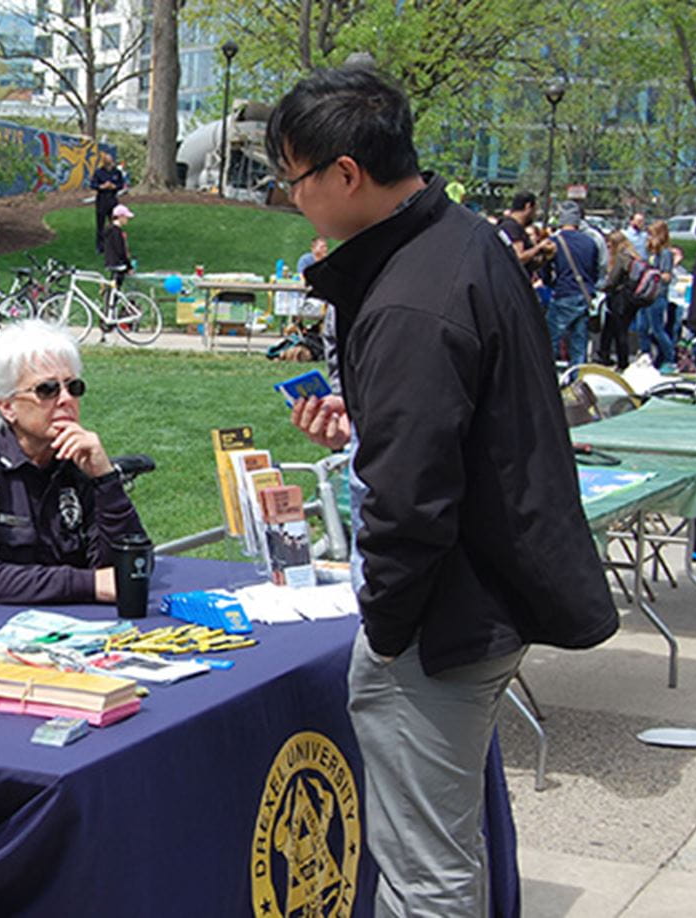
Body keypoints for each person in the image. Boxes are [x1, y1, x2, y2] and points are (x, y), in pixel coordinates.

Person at [267, 66, 618, 917]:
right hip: (477, 600)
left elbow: (412, 501)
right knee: (444, 854)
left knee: (424, 876)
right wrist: (370, 420)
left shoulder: (411, 300)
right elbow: (447, 427)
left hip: (440, 620)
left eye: (294, 179)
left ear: (346, 174)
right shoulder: (456, 242)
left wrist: (385, 630)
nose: (292, 199)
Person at [0, 319, 147, 610]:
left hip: (69, 623)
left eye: (73, 387)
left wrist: (105, 479)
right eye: (47, 390)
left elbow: (130, 567)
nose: (66, 399)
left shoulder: (76, 460)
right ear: (7, 407)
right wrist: (86, 584)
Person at [545, 200, 600, 364]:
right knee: (579, 342)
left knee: (550, 338)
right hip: (585, 294)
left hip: (564, 292)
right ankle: (577, 374)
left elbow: (544, 271)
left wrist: (550, 284)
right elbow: (595, 270)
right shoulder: (590, 242)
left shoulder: (554, 242)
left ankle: (548, 373)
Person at [597, 230, 639, 370]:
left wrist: (603, 287)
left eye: (610, 244)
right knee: (612, 328)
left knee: (619, 331)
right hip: (629, 299)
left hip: (619, 299)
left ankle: (622, 361)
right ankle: (605, 355)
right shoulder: (633, 256)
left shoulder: (621, 257)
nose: (608, 247)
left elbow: (613, 279)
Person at [636, 220, 675, 369]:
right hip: (645, 295)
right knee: (641, 327)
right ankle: (645, 354)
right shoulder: (650, 253)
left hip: (657, 295)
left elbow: (667, 276)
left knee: (657, 329)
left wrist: (653, 274)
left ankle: (670, 358)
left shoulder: (665, 253)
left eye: (651, 235)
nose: (648, 238)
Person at [496, 191, 553, 268]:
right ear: (528, 206)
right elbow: (519, 257)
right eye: (535, 209)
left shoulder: (517, 227)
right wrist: (539, 247)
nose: (535, 214)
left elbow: (528, 265)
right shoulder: (511, 227)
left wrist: (546, 255)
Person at [90, 150, 126, 254]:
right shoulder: (99, 172)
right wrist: (102, 186)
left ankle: (114, 245)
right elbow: (93, 185)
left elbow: (121, 184)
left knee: (114, 223)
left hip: (113, 198)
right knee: (100, 224)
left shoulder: (117, 172)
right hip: (102, 199)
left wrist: (114, 186)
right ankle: (100, 246)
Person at [102, 203, 134, 289]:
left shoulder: (109, 230)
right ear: (120, 217)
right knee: (117, 287)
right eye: (126, 217)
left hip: (110, 262)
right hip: (118, 264)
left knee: (112, 287)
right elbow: (121, 251)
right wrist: (129, 266)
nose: (127, 220)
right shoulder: (117, 232)